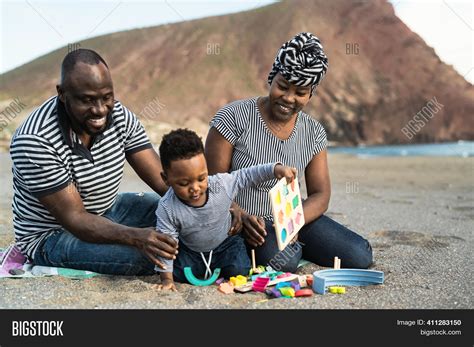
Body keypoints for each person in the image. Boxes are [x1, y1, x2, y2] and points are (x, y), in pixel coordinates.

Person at [205, 32, 373, 272]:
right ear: (271, 78)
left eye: (300, 93)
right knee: (284, 259)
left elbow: (320, 194)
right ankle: (291, 249)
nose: (289, 98)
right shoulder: (232, 117)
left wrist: (292, 223)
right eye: (283, 87)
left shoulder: (314, 132)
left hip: (292, 219)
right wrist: (239, 215)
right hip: (243, 221)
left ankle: (297, 245)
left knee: (359, 255)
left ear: (310, 94)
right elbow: (213, 184)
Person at [9, 49, 184, 275]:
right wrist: (137, 237)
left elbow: (165, 182)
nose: (100, 110)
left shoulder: (119, 116)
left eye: (106, 97)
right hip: (53, 234)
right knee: (146, 257)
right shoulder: (35, 140)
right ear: (62, 93)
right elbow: (76, 219)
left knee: (168, 208)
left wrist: (214, 207)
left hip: (108, 209)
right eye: (87, 100)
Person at [154, 129, 296, 291]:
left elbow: (248, 175)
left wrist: (276, 169)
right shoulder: (167, 207)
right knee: (178, 273)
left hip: (225, 244)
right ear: (166, 179)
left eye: (201, 178)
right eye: (184, 183)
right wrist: (166, 280)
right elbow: (166, 244)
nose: (195, 188)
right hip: (191, 250)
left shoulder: (221, 185)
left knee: (240, 269)